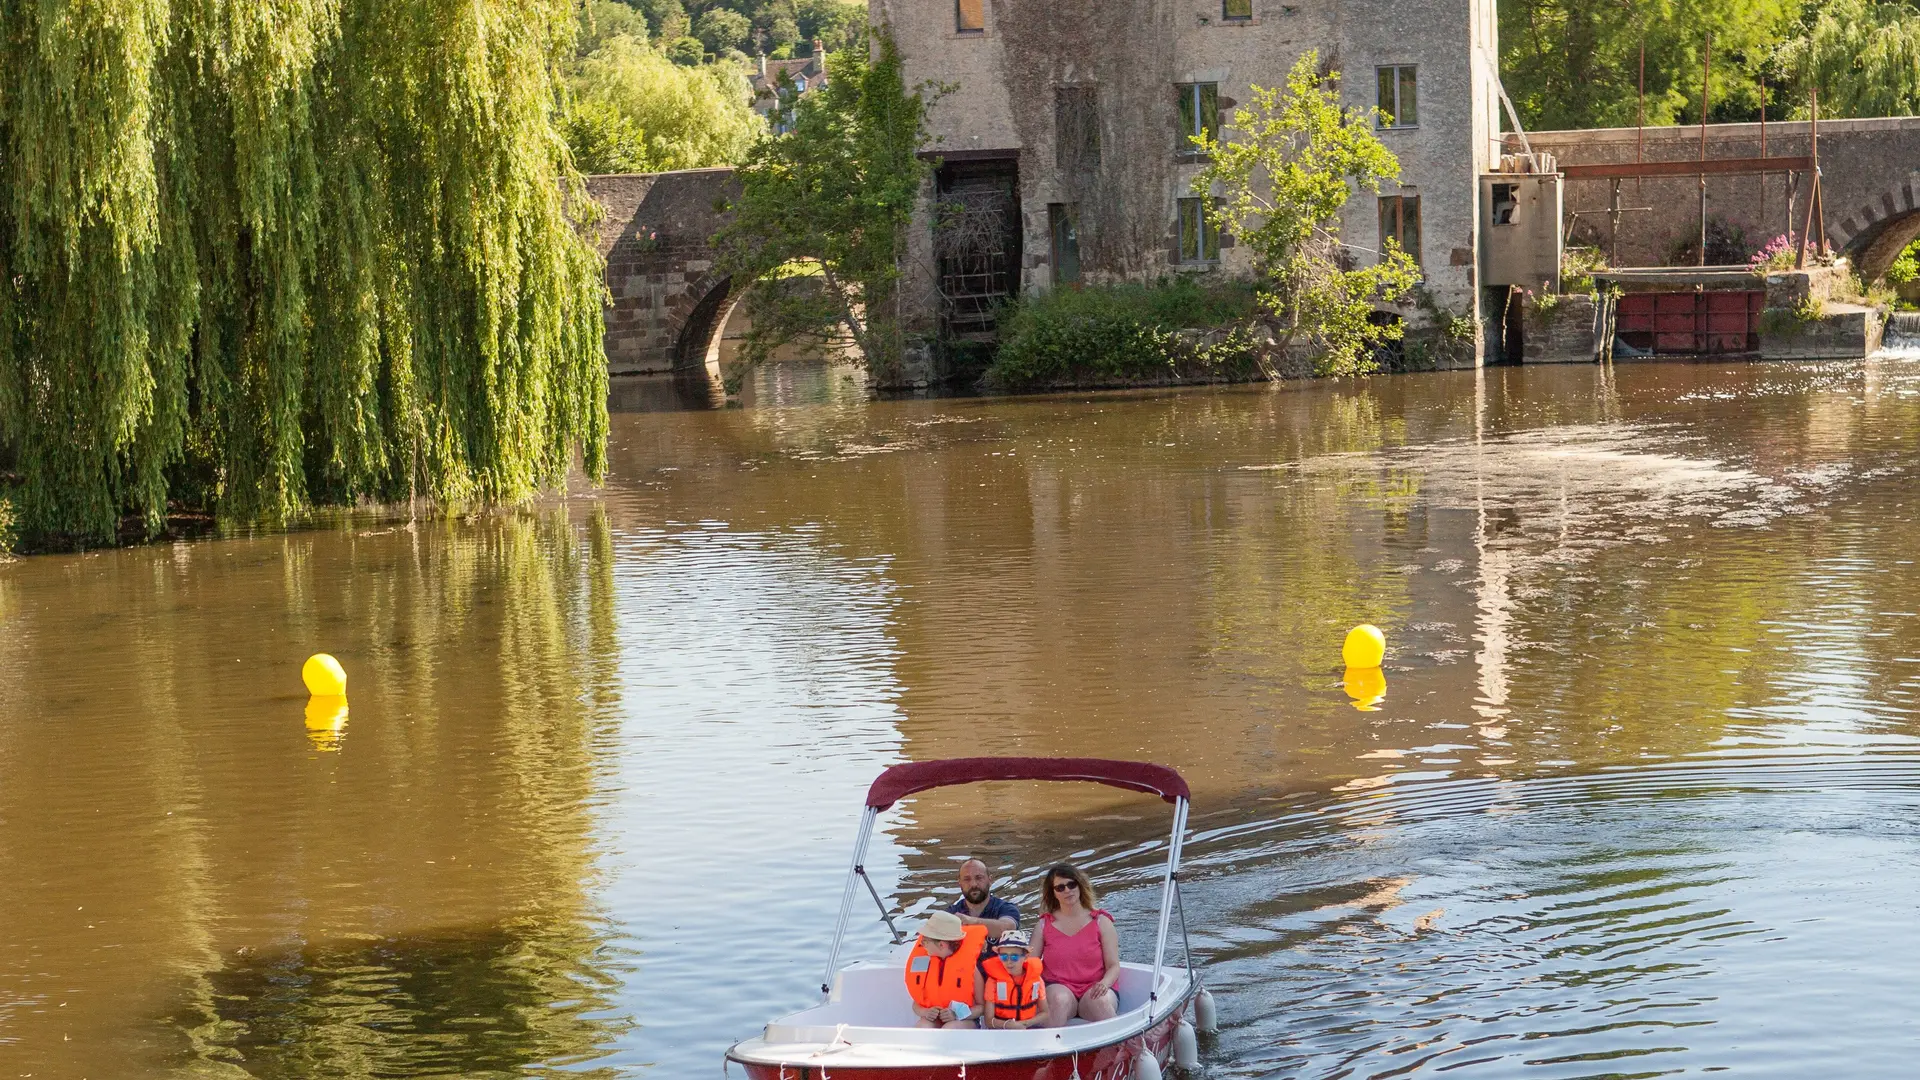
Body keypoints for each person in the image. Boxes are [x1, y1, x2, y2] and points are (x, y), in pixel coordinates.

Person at [1030, 863, 1120, 1026]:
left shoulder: (1101, 921)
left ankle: (1122, 1048)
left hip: (1096, 986)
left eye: (1072, 884)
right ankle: (1049, 1048)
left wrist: (1104, 984)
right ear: (1053, 893)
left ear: (1080, 886)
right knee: (1058, 1000)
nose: (1067, 890)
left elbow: (1113, 965)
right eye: (1060, 887)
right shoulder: (1043, 925)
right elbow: (1031, 965)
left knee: (1100, 1002)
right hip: (1058, 987)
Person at [903, 910, 988, 1029]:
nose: (922, 944)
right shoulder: (925, 963)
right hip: (933, 1019)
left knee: (950, 1028)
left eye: (925, 941)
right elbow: (916, 1003)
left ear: (941, 945)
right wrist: (925, 1012)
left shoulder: (971, 969)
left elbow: (982, 1007)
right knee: (923, 1026)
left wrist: (956, 1014)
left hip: (964, 1020)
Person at [981, 929, 1050, 1030]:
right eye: (1004, 957)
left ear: (1026, 957)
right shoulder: (993, 982)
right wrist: (1007, 1025)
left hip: (1028, 1026)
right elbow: (988, 1020)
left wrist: (1025, 1023)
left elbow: (1045, 1013)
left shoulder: (1037, 980)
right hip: (1001, 1030)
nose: (1009, 962)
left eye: (1014, 957)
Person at [947, 857, 1020, 937]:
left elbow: (1008, 928)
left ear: (990, 880)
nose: (973, 884)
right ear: (960, 883)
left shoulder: (1006, 908)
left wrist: (971, 921)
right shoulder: (951, 913)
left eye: (979, 878)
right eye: (967, 879)